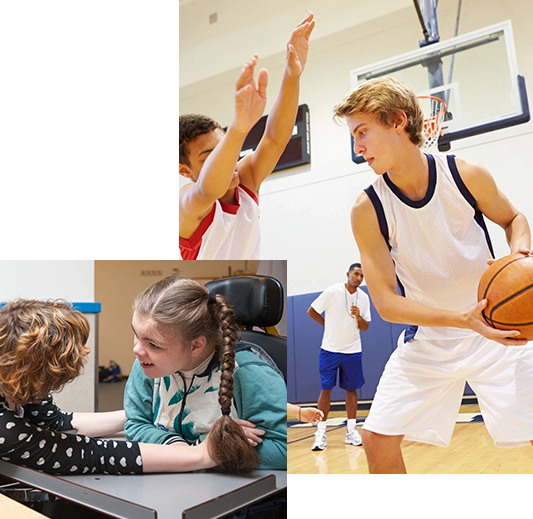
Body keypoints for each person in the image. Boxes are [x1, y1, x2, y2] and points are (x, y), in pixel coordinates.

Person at [333, 76, 533, 473]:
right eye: (353, 136)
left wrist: (520, 257)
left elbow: (513, 219)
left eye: (362, 132)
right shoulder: (368, 208)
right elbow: (387, 304)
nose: (357, 148)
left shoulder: (465, 174)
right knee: (376, 438)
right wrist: (463, 320)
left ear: (397, 121)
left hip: (498, 333)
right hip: (431, 339)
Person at [0, 299, 217, 490]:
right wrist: (200, 455)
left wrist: (151, 415)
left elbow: (55, 423)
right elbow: (86, 454)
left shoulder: (0, 347)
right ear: (31, 374)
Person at [179, 12, 315, 260]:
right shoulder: (187, 200)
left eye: (226, 147)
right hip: (200, 297)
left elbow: (275, 138)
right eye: (211, 155)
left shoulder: (245, 181)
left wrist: (292, 75)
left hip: (242, 293)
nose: (229, 159)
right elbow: (209, 189)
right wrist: (239, 129)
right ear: (184, 170)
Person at [123, 276, 287, 471]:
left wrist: (214, 447)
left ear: (196, 345)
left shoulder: (249, 374)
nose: (137, 350)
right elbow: (135, 424)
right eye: (136, 334)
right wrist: (187, 450)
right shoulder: (147, 363)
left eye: (153, 344)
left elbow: (284, 449)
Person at [307, 263, 371, 451]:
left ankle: (351, 430)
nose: (359, 278)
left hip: (352, 350)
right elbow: (312, 311)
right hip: (330, 349)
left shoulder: (364, 298)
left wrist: (359, 317)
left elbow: (366, 327)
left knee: (351, 390)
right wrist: (327, 326)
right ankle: (320, 432)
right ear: (348, 274)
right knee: (325, 390)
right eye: (356, 274)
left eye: (362, 276)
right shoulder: (333, 291)